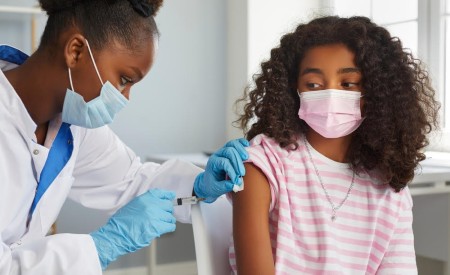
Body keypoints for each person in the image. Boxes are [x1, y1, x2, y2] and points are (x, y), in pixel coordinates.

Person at [0, 0, 249, 274]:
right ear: (76, 51)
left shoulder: (73, 126)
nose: (125, 97)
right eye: (124, 80)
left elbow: (131, 180)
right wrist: (103, 245)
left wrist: (199, 185)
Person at [229, 15, 440, 275]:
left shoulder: (389, 188)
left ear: (375, 91)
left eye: (348, 84)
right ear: (293, 88)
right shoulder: (264, 164)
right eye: (314, 85)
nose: (330, 95)